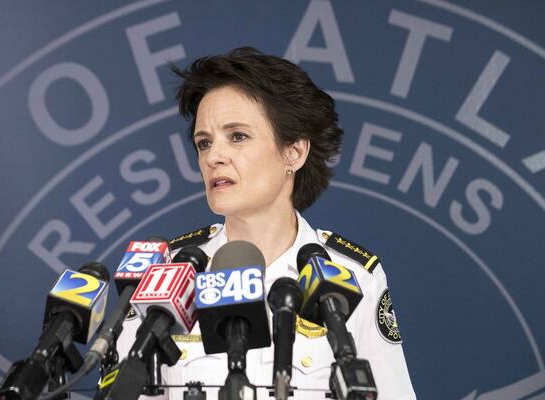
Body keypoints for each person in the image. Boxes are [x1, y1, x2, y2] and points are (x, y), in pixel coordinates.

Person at [116, 47, 416, 399]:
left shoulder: (353, 275)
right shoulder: (168, 271)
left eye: (237, 136)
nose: (213, 156)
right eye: (204, 142)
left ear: (295, 152)